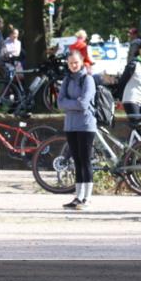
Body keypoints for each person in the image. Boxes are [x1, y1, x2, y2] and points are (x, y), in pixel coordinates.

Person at [57, 48, 97, 210]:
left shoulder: (87, 80)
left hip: (86, 125)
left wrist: (69, 103)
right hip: (71, 125)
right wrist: (73, 104)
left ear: (82, 63)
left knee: (85, 161)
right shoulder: (67, 80)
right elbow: (59, 103)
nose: (73, 65)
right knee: (77, 161)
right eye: (70, 63)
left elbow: (84, 103)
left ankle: (87, 198)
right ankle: (78, 196)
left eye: (76, 62)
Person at [118, 40, 141, 124]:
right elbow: (122, 81)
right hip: (132, 99)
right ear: (140, 51)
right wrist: (119, 97)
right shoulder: (134, 64)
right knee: (137, 124)